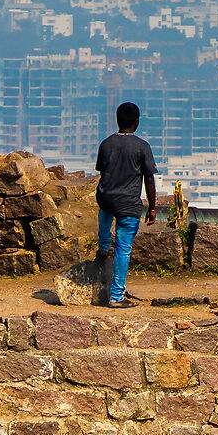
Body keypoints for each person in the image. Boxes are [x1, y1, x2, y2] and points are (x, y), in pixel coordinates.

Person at [94, 102, 157, 308]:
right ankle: (116, 296)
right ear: (137, 122)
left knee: (105, 215)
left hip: (106, 197)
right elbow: (149, 179)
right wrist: (153, 207)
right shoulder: (142, 147)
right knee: (123, 249)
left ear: (117, 120)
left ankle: (103, 249)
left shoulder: (106, 144)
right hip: (129, 203)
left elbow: (102, 171)